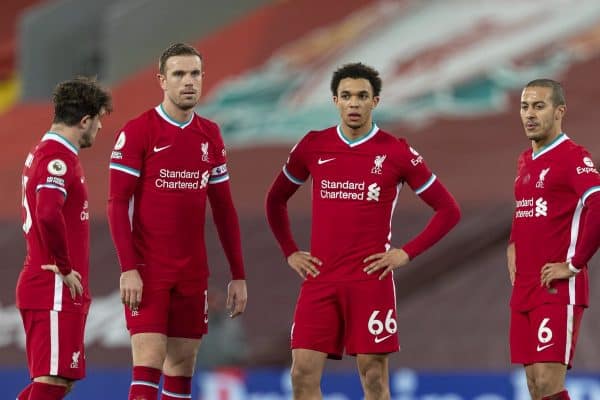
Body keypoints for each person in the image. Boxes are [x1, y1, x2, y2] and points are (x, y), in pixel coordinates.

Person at [265, 62, 461, 400]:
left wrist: (405, 253)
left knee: (373, 378)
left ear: (375, 101)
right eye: (346, 96)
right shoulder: (313, 146)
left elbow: (448, 210)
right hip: (321, 280)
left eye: (361, 96)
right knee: (301, 373)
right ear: (335, 101)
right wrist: (290, 251)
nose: (353, 103)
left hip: (369, 281)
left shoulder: (397, 152)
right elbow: (275, 200)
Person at [107, 43, 247, 400]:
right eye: (179, 74)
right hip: (148, 269)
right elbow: (116, 203)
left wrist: (238, 274)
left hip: (192, 271)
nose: (189, 82)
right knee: (150, 359)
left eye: (195, 73)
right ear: (162, 81)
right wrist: (128, 268)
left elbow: (225, 210)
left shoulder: (210, 134)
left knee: (182, 366)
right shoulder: (140, 130)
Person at [15, 77, 112, 400]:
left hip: (52, 287)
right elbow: (46, 212)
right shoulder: (57, 157)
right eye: (98, 121)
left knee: (60, 380)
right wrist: (64, 265)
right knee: (53, 381)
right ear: (85, 120)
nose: (99, 129)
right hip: (52, 285)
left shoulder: (50, 153)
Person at [508, 79, 600, 400]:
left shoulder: (573, 156)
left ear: (559, 111)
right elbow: (525, 212)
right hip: (525, 288)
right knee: (534, 386)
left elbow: (598, 207)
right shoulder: (524, 161)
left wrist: (573, 265)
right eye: (525, 106)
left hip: (557, 288)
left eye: (539, 106)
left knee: (548, 383)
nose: (529, 114)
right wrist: (512, 246)